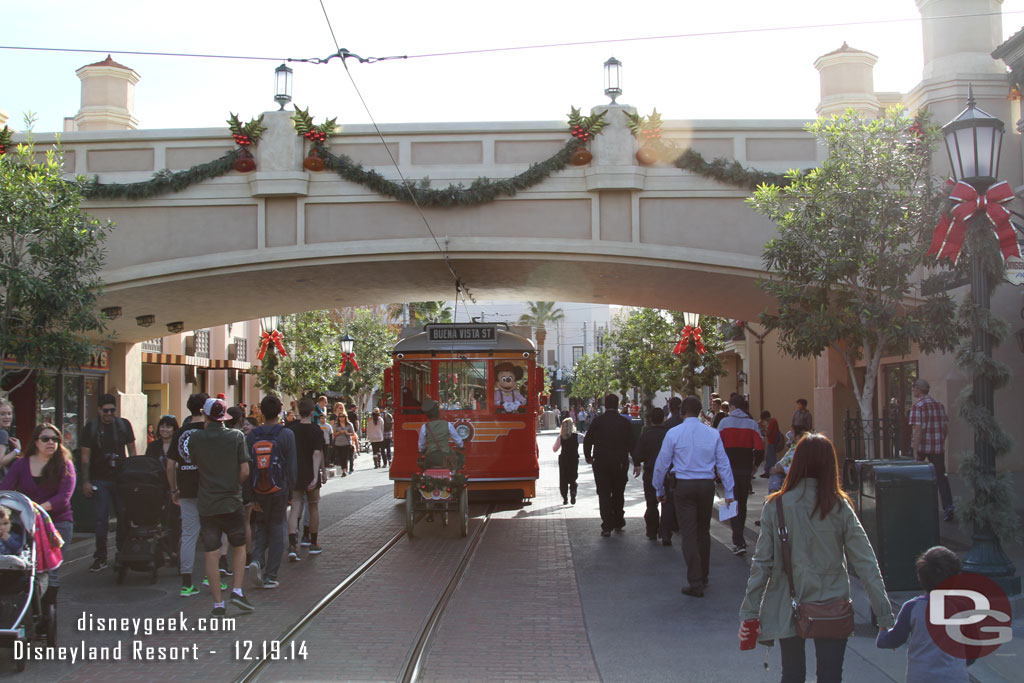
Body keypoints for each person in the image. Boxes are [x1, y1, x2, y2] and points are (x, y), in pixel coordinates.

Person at [739, 433, 894, 682]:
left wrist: (750, 614)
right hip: (832, 601)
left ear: (797, 463)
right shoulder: (839, 506)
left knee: (792, 674)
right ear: (830, 466)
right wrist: (884, 615)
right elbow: (866, 562)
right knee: (831, 676)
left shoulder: (777, 505)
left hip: (788, 602)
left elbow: (761, 564)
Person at [652, 396, 734, 596]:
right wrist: (730, 491)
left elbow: (662, 463)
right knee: (703, 532)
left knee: (689, 533)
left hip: (684, 485)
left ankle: (695, 580)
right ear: (699, 412)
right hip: (706, 485)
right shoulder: (712, 434)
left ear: (681, 412)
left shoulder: (674, 433)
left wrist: (658, 489)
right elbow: (723, 463)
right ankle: (703, 575)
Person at [1, 423, 76, 627]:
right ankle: (22, 611)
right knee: (27, 567)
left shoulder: (65, 465)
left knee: (49, 570)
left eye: (55, 439)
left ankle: (46, 618)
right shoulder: (21, 464)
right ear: (35, 441)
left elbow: (64, 497)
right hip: (26, 523)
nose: (51, 442)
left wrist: (36, 508)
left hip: (57, 523)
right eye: (45, 438)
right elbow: (5, 489)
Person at [188, 397, 254, 616]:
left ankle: (218, 604)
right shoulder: (236, 437)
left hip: (207, 502)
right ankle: (236, 589)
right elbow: (245, 471)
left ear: (205, 415)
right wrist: (233, 485)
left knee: (211, 552)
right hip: (231, 500)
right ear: (225, 416)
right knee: (238, 545)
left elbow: (195, 462)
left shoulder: (196, 438)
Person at [876, 546, 972, 681]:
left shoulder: (912, 607)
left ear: (920, 577)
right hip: (954, 676)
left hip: (921, 676)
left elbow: (894, 639)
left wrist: (882, 631)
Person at [79, 393, 136, 572]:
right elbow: (85, 458)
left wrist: (134, 475)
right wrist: (86, 481)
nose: (109, 413)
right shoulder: (91, 428)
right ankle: (101, 556)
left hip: (121, 479)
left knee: (124, 517)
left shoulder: (123, 425)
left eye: (112, 410)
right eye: (106, 410)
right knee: (100, 521)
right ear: (99, 410)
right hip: (100, 479)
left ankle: (122, 552)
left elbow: (132, 452)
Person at [246, 395, 296, 590]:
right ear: (280, 410)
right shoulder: (286, 435)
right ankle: (270, 575)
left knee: (260, 527)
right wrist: (291, 492)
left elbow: (248, 466)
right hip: (279, 489)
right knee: (277, 528)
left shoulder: (252, 435)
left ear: (261, 411)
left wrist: (250, 494)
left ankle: (257, 559)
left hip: (258, 489)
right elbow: (291, 467)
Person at [167, 393, 209, 596]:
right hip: (208, 488)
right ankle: (212, 578)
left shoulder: (181, 432)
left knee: (188, 535)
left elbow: (170, 465)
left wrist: (173, 489)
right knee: (212, 533)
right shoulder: (210, 430)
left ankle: (186, 582)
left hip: (185, 488)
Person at [583, 394, 636, 537]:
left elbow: (588, 440)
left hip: (601, 461)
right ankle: (618, 520)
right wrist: (636, 463)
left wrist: (588, 456)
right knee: (618, 492)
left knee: (604, 493)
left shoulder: (598, 421)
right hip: (619, 462)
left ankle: (606, 525)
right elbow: (632, 443)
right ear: (617, 404)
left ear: (605, 405)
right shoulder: (624, 423)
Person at [717, 394, 764, 555]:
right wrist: (755, 466)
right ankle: (739, 538)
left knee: (731, 501)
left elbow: (717, 447)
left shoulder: (724, 423)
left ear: (732, 407)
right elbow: (759, 449)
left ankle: (737, 539)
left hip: (728, 470)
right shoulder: (751, 424)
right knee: (742, 504)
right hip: (744, 470)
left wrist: (717, 467)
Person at [909, 379, 954, 522]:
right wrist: (940, 439)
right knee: (941, 477)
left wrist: (915, 451)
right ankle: (948, 506)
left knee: (916, 477)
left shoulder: (918, 406)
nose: (913, 391)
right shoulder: (939, 405)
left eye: (913, 388)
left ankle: (917, 507)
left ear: (918, 389)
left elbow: (918, 430)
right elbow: (945, 428)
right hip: (937, 446)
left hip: (922, 446)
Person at [287, 398, 324, 560]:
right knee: (313, 507)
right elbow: (317, 453)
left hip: (295, 474)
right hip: (310, 474)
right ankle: (313, 543)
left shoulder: (290, 429)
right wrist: (316, 475)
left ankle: (292, 545)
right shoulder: (316, 431)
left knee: (295, 509)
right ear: (311, 412)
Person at [146, 414, 181, 565]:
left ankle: (174, 551)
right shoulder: (153, 446)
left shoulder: (178, 445)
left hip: (176, 488)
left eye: (168, 426)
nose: (164, 429)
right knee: (158, 521)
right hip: (157, 488)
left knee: (174, 521)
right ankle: (159, 553)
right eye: (162, 426)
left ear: (174, 429)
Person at [631, 407, 670, 543]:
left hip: (651, 472)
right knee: (667, 504)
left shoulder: (646, 435)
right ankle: (666, 533)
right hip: (668, 474)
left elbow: (638, 454)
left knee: (651, 503)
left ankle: (652, 530)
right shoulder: (669, 434)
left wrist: (637, 464)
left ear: (651, 420)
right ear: (663, 419)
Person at [417, 397, 464, 469]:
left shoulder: (424, 427)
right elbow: (458, 440)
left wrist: (422, 451)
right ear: (438, 413)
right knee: (460, 458)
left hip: (430, 458)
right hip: (445, 457)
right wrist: (461, 446)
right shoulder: (448, 424)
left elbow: (421, 445)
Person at [552, 417, 580, 505]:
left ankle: (565, 498)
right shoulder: (577, 436)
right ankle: (573, 491)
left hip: (564, 459)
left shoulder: (560, 437)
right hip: (573, 458)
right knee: (573, 476)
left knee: (563, 478)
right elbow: (587, 440)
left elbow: (554, 449)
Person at [0, 398, 22, 475]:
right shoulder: (2, 433)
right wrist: (17, 450)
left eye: (9, 413)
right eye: (2, 414)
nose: (7, 417)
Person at [333, 411, 357, 476]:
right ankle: (343, 468)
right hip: (338, 443)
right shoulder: (336, 425)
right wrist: (340, 432)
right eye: (340, 416)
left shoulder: (349, 425)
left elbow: (353, 433)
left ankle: (344, 471)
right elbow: (334, 434)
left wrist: (347, 433)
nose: (341, 418)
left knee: (345, 457)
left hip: (346, 443)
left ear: (345, 417)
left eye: (343, 416)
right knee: (340, 457)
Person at [759, 410, 780, 478]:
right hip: (771, 441)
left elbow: (768, 432)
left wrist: (762, 427)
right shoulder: (772, 421)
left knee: (771, 458)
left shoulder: (772, 422)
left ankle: (771, 472)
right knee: (769, 457)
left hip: (772, 442)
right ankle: (767, 471)